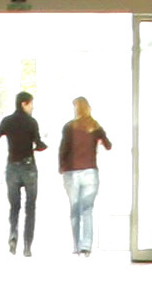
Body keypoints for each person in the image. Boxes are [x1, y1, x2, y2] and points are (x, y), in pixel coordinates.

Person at [0, 92, 45, 256]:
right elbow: (38, 143)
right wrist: (40, 146)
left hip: (12, 167)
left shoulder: (7, 121)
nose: (32, 107)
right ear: (24, 104)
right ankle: (27, 247)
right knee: (30, 207)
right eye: (31, 104)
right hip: (28, 167)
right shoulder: (32, 122)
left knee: (14, 206)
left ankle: (13, 233)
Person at [58, 98, 111, 257]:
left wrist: (61, 166)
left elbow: (64, 149)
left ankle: (76, 245)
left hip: (72, 172)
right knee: (87, 210)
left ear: (77, 109)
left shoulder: (69, 127)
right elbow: (108, 145)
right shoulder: (95, 126)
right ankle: (86, 246)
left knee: (74, 210)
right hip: (90, 172)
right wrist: (99, 141)